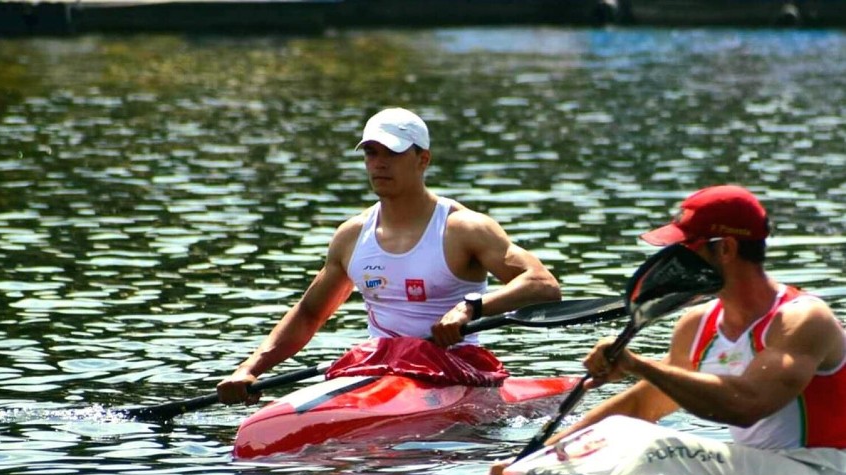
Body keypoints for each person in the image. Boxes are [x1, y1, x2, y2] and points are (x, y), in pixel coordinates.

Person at [218, 107, 561, 405]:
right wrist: (248, 370)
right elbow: (309, 315)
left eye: (392, 153)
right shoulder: (352, 236)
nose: (379, 164)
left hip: (452, 366)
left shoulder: (463, 229)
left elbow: (543, 285)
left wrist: (470, 308)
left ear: (423, 159)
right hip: (379, 364)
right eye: (371, 153)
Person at [544, 184, 846, 451]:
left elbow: (749, 404)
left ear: (725, 248)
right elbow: (639, 406)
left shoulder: (802, 319)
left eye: (686, 247)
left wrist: (639, 366)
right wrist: (537, 459)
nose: (675, 258)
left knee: (651, 446)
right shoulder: (697, 325)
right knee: (616, 434)